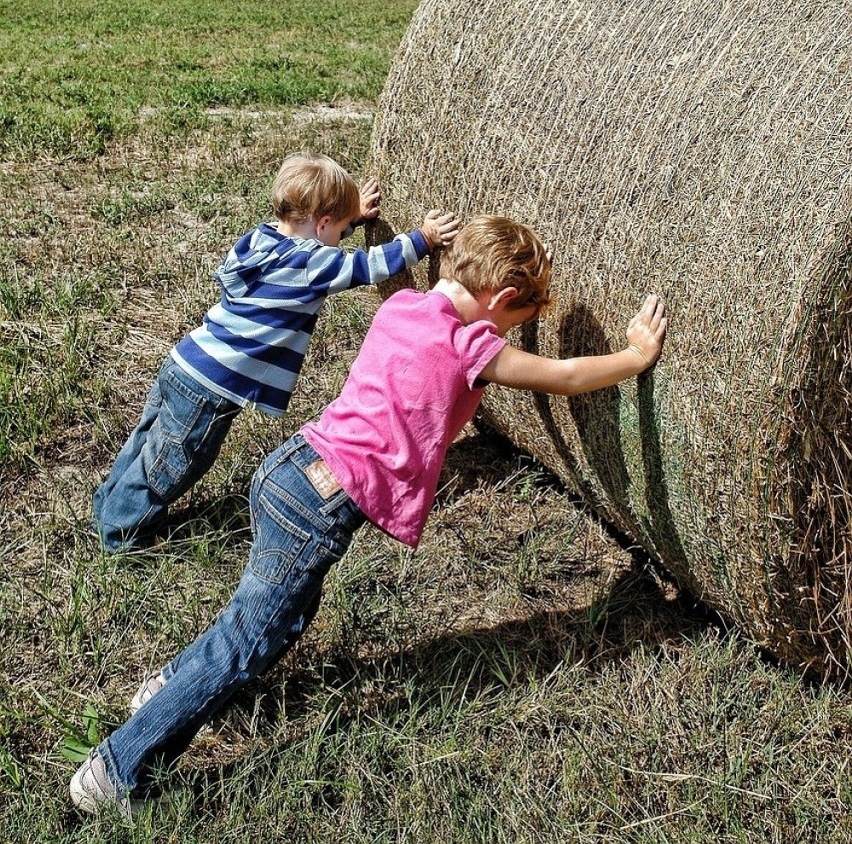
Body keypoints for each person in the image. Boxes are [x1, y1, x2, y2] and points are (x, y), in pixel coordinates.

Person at [70, 215, 667, 817]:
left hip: (291, 469)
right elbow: (563, 378)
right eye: (516, 323)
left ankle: (171, 685)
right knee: (247, 640)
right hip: (318, 505)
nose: (512, 337)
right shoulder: (470, 345)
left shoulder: (404, 305)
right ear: (504, 298)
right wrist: (634, 356)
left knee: (280, 620)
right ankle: (117, 767)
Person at [92, 152, 459, 554]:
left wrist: (350, 219)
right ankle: (122, 536)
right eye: (337, 229)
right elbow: (369, 265)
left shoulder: (262, 237)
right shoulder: (311, 263)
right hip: (213, 386)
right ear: (321, 224)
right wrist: (423, 238)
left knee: (145, 441)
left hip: (186, 360)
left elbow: (314, 246)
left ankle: (108, 505)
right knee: (172, 462)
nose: (340, 239)